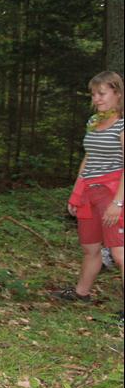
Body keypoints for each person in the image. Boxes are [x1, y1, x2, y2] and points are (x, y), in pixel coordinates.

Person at [58, 71, 123, 306]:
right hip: (89, 191)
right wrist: (76, 193)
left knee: (119, 253)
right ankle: (81, 293)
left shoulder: (122, 125)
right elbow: (89, 157)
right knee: (90, 247)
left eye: (101, 94)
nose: (96, 99)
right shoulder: (93, 122)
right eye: (93, 94)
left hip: (113, 192)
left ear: (117, 93)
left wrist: (118, 203)